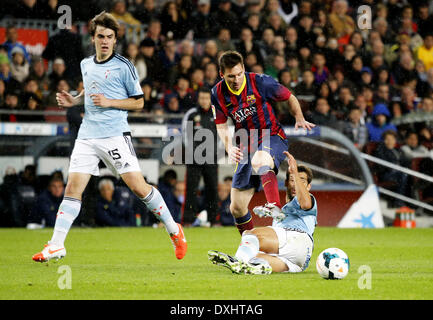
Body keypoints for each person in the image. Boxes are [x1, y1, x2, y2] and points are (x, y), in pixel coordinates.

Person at [32, 12, 187, 263]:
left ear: (115, 40)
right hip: (87, 135)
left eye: (110, 37)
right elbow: (90, 89)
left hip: (115, 135)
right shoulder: (86, 64)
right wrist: (75, 99)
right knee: (72, 187)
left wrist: (110, 102)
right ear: (93, 38)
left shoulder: (125, 66)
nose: (105, 41)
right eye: (101, 36)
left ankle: (173, 229)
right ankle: (56, 245)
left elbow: (139, 102)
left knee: (139, 188)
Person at [211, 51, 314, 236]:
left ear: (243, 69)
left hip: (272, 135)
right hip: (245, 145)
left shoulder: (260, 82)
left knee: (260, 160)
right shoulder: (217, 93)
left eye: (239, 74)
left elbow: (289, 96)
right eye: (230, 76)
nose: (236, 80)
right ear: (221, 74)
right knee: (237, 208)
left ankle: (275, 206)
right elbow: (220, 124)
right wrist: (229, 147)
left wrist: (299, 116)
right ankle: (250, 248)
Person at [208, 151, 316, 274]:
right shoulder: (282, 211)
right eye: (292, 180)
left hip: (298, 239)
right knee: (253, 256)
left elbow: (305, 203)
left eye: (302, 181)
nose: (296, 184)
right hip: (299, 260)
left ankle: (237, 260)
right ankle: (257, 268)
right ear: (286, 183)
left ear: (308, 187)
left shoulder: (310, 201)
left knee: (251, 234)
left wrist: (295, 173)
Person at [182, 87, 218, 226]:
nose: (204, 101)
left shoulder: (216, 114)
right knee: (191, 189)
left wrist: (216, 151)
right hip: (193, 158)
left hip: (211, 158)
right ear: (198, 98)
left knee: (212, 189)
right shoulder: (191, 114)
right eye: (202, 98)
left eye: (206, 98)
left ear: (211, 99)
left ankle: (213, 220)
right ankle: (188, 220)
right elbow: (184, 134)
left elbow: (223, 134)